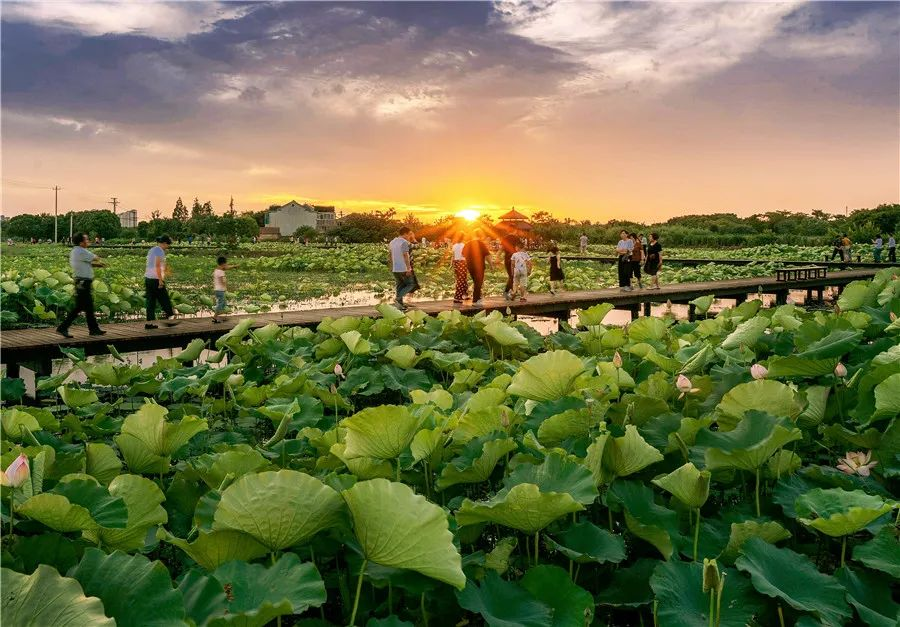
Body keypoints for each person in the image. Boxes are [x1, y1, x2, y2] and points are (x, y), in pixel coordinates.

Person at [56, 233, 106, 338]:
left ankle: (94, 329)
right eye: (86, 240)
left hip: (82, 282)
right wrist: (99, 260)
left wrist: (97, 265)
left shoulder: (76, 251)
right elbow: (95, 257)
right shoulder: (81, 251)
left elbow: (85, 263)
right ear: (81, 242)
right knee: (80, 307)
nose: (88, 241)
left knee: (88, 307)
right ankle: (63, 327)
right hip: (83, 283)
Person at [144, 235, 178, 329]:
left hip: (148, 278)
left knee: (150, 302)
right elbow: (157, 266)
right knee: (165, 299)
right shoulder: (160, 250)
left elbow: (156, 264)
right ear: (164, 243)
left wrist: (167, 271)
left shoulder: (152, 249)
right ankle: (170, 319)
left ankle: (149, 323)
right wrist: (160, 280)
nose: (168, 247)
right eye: (168, 245)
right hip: (155, 279)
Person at [389, 226, 416, 310]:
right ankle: (398, 298)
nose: (409, 236)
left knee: (399, 285)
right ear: (405, 234)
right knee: (411, 284)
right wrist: (408, 268)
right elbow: (405, 255)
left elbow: (390, 255)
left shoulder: (392, 242)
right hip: (403, 268)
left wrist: (391, 266)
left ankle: (400, 305)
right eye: (408, 234)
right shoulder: (404, 242)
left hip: (395, 268)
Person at [463, 231, 492, 307]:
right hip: (479, 266)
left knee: (476, 282)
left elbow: (463, 254)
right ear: (480, 236)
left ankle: (478, 297)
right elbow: (487, 255)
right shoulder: (481, 244)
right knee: (478, 283)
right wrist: (491, 265)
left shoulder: (467, 244)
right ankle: (476, 300)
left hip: (470, 266)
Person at [212, 256, 238, 323]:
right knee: (221, 304)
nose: (227, 265)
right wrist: (227, 287)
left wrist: (234, 266)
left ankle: (217, 316)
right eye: (226, 264)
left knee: (223, 303)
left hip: (217, 290)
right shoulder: (221, 272)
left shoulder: (216, 270)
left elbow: (227, 268)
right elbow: (222, 281)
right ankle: (215, 317)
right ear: (223, 264)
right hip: (220, 290)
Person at [451, 234, 468, 303]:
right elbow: (465, 255)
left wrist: (452, 264)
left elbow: (453, 256)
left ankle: (465, 294)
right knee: (461, 280)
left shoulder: (454, 245)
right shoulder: (464, 245)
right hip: (462, 262)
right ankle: (457, 297)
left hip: (456, 262)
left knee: (461, 278)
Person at [500, 234, 518, 300]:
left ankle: (512, 293)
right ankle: (507, 292)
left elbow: (501, 248)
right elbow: (518, 248)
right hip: (514, 259)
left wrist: (497, 257)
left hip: (507, 259)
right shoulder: (516, 237)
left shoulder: (505, 237)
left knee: (511, 276)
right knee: (512, 276)